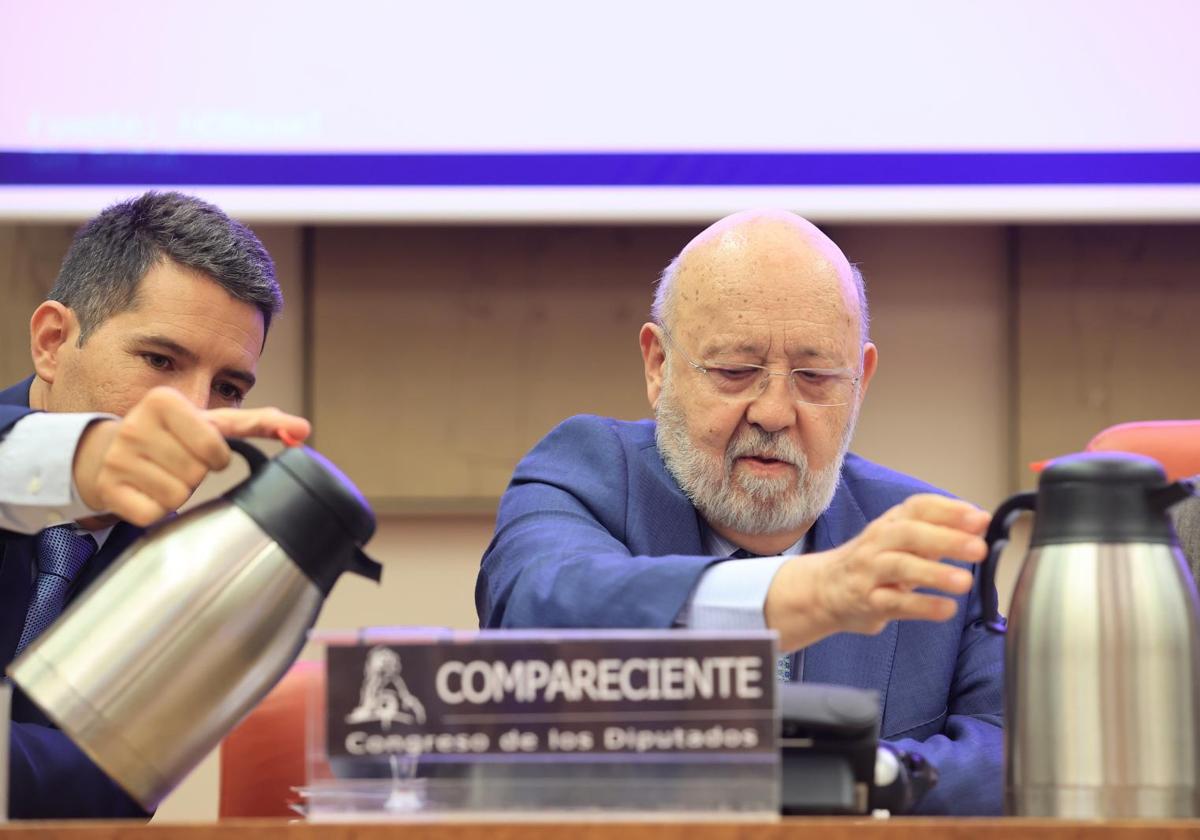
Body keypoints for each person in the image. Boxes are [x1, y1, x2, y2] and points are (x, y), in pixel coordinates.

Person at [477, 209, 1003, 815]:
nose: (775, 412)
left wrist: (847, 772)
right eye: (735, 371)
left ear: (860, 378)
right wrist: (807, 594)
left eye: (815, 376)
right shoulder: (586, 475)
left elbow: (1009, 757)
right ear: (658, 365)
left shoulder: (929, 545)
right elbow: (539, 609)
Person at [0, 191, 311, 819]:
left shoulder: (193, 574)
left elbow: (103, 791)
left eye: (228, 387)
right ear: (54, 342)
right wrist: (76, 459)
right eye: (160, 360)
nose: (195, 413)